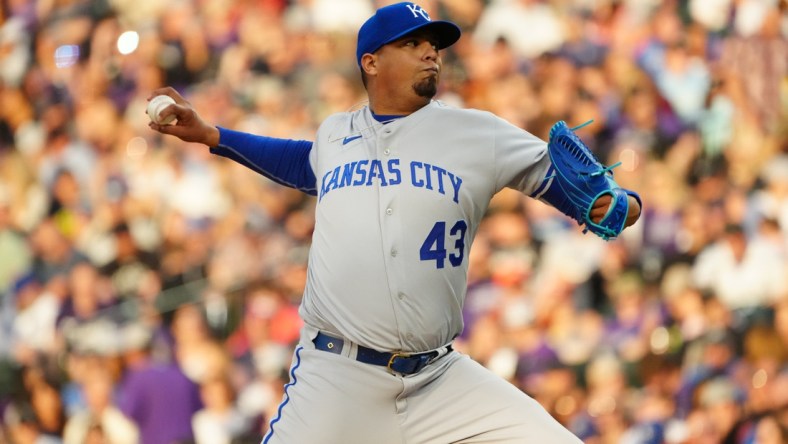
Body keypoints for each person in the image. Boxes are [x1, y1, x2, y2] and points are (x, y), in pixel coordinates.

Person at [148, 3, 641, 443]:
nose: (431, 53)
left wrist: (620, 205)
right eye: (413, 44)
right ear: (371, 61)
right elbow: (301, 163)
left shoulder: (479, 134)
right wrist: (212, 135)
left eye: (434, 45)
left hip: (440, 380)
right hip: (337, 378)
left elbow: (593, 198)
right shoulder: (336, 133)